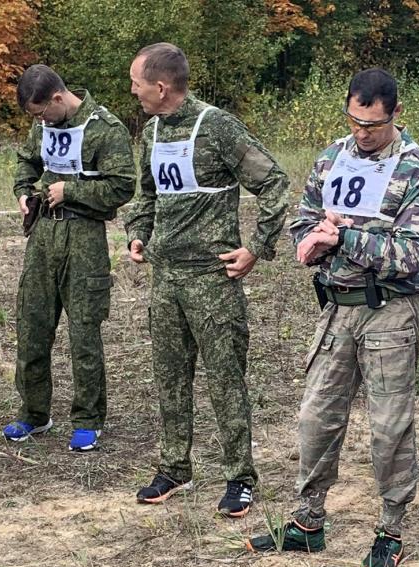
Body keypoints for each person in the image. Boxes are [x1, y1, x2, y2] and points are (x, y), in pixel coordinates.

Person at [247, 68, 419, 567]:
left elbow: (410, 255)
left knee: (389, 426)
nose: (362, 132)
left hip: (389, 312)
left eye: (372, 125)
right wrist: (311, 241)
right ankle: (307, 521)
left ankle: (391, 529)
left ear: (396, 114)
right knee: (316, 416)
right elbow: (302, 219)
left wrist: (343, 238)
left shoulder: (417, 170)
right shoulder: (332, 157)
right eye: (354, 121)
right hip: (337, 308)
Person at [126, 43, 290, 517]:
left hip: (212, 281)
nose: (133, 91)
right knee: (170, 377)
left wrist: (256, 247)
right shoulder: (152, 131)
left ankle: (240, 476)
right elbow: (147, 194)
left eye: (137, 83)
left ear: (161, 87)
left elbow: (273, 182)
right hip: (166, 280)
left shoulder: (217, 126)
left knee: (225, 380)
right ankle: (174, 467)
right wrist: (138, 233)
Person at [4, 65, 135, 451]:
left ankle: (88, 419)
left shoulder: (105, 128)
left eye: (42, 112)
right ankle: (33, 413)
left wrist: (71, 192)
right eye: (35, 116)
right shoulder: (43, 124)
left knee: (84, 332)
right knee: (32, 325)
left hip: (84, 238)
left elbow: (122, 187)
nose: (40, 121)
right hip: (43, 235)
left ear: (58, 98)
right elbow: (26, 160)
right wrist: (23, 190)